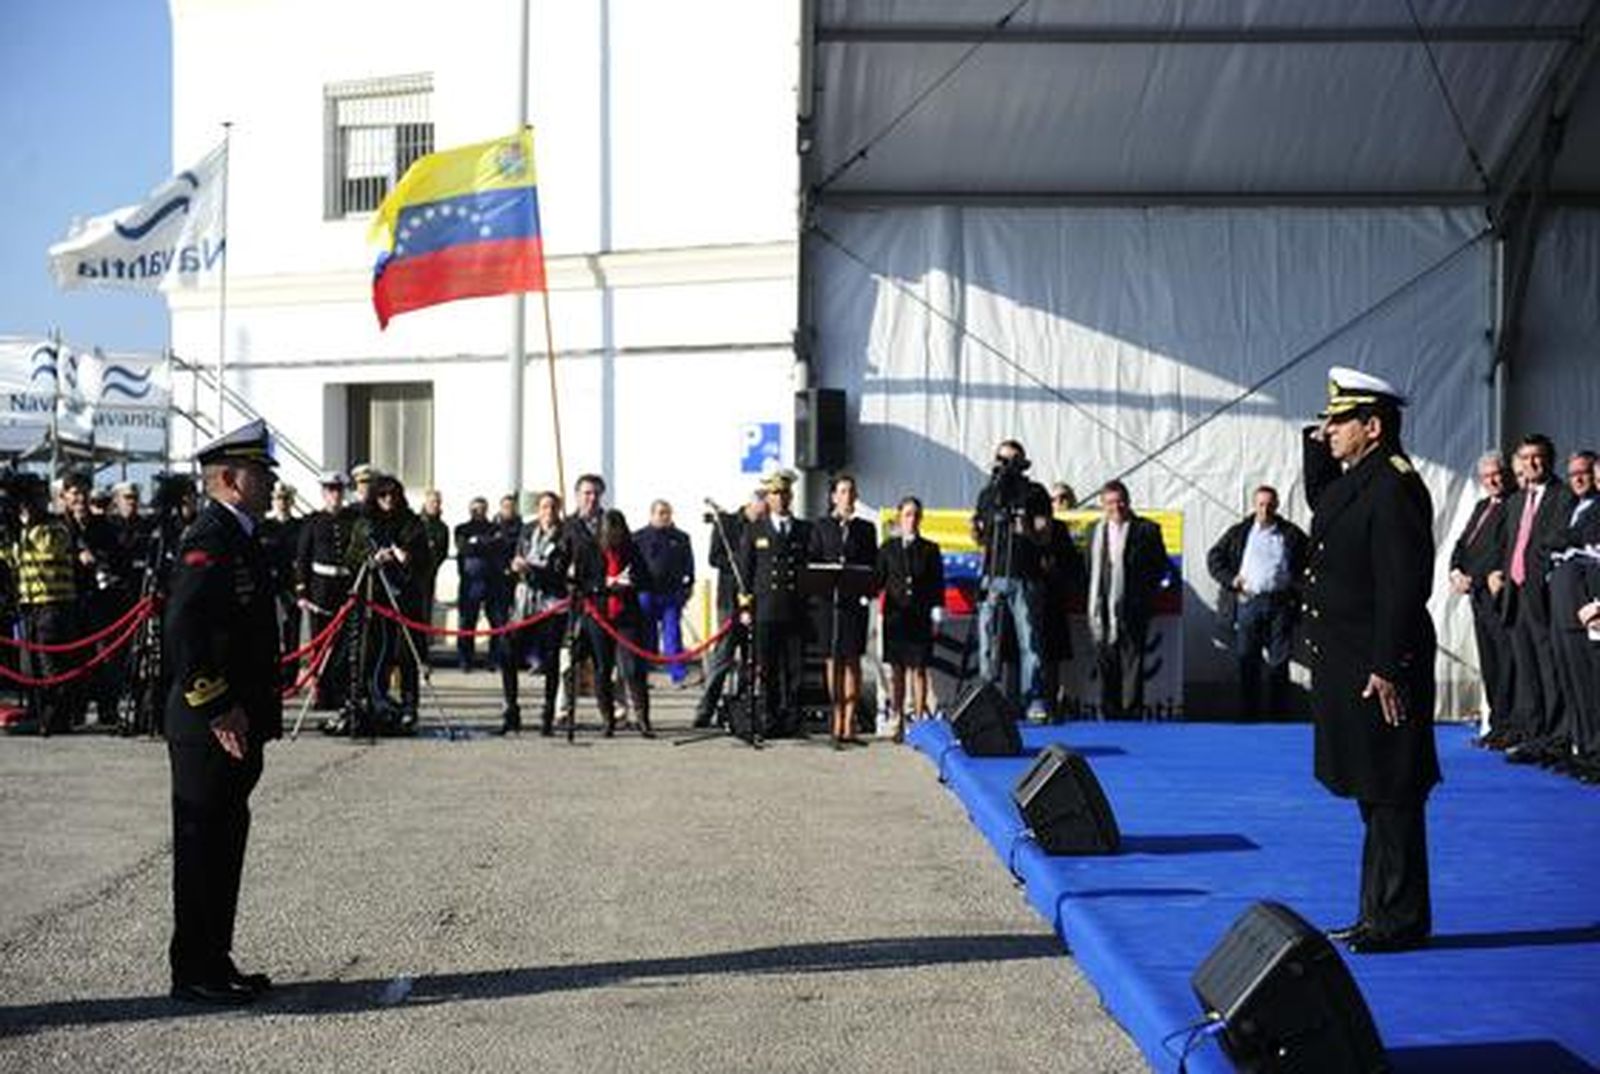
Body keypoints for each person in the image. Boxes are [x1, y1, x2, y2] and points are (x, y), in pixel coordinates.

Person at [1302, 367, 1439, 955]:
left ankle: (1399, 919)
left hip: (1381, 668)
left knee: (1392, 793)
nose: (1328, 429)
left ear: (1373, 427)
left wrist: (1387, 664)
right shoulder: (1360, 480)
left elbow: (1403, 586)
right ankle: (1376, 912)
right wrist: (1314, 445)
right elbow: (1324, 503)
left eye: (1339, 421)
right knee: (1371, 791)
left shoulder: (1394, 486)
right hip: (1352, 665)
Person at [162, 418, 281, 1004]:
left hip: (236, 720)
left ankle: (215, 958)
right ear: (231, 479)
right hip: (210, 723)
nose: (271, 483)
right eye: (261, 473)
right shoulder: (210, 535)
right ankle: (194, 971)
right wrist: (218, 706)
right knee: (202, 845)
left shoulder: (241, 535)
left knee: (224, 842)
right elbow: (185, 628)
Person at [1486, 434, 1575, 760]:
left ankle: (1557, 739)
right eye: (1524, 458)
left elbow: (1560, 542)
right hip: (1516, 595)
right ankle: (1534, 736)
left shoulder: (1563, 496)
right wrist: (1500, 574)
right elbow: (1511, 545)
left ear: (1549, 459)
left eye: (1537, 457)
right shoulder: (1515, 502)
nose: (1531, 463)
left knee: (1550, 670)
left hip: (1544, 596)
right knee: (1527, 671)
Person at [1206, 485, 1309, 719]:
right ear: (1254, 505)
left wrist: (1298, 583)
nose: (1265, 509)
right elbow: (1214, 558)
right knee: (1248, 661)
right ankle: (1249, 716)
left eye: (1270, 505)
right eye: (1261, 504)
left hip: (1280, 604)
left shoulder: (1291, 533)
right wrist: (1231, 579)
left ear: (1277, 505)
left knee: (1279, 663)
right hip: (1248, 603)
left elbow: (1312, 556)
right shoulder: (1240, 532)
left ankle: (1278, 716)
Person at [343, 474, 433, 734]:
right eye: (382, 495)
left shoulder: (412, 523)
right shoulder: (364, 524)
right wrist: (372, 558)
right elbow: (351, 557)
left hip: (405, 600)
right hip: (374, 600)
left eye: (393, 495)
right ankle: (375, 702)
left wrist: (407, 557)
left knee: (406, 654)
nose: (388, 500)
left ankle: (409, 706)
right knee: (373, 654)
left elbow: (426, 560)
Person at [972, 440, 1053, 717]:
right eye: (1001, 459)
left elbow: (1045, 535)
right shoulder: (988, 493)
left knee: (1029, 640)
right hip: (993, 574)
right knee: (987, 640)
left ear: (1022, 463)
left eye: (1011, 460)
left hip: (1024, 575)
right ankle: (988, 699)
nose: (1005, 465)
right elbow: (981, 538)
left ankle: (1033, 699)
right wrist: (976, 533)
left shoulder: (1035, 492)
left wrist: (1026, 528)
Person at [1, 473, 79, 734]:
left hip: (54, 604)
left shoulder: (55, 526)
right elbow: (11, 559)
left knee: (51, 664)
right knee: (29, 665)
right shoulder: (22, 531)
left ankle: (57, 717)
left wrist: (24, 526)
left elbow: (48, 548)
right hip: (29, 606)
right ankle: (39, 711)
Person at [1086, 480, 1169, 719]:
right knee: (1106, 661)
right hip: (1101, 606)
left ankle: (1131, 713)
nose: (1117, 507)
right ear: (1103, 505)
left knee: (1133, 661)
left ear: (1128, 501)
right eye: (1111, 502)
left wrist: (1143, 595)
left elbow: (1159, 566)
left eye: (1120, 501)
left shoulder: (1147, 529)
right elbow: (1089, 566)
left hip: (1133, 605)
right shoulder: (1094, 531)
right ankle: (1109, 711)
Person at [738, 470, 811, 739]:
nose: (780, 498)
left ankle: (792, 720)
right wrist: (745, 607)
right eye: (775, 493)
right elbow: (746, 572)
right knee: (766, 668)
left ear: (791, 496)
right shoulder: (755, 529)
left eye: (785, 493)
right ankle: (768, 719)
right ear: (768, 498)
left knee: (795, 670)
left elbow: (809, 568)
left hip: (794, 608)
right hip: (765, 609)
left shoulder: (804, 529)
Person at [554, 474, 628, 736]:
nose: (591, 498)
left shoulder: (611, 523)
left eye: (596, 493)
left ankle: (610, 714)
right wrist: (564, 570)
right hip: (576, 603)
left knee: (604, 664)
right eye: (586, 493)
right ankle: (564, 711)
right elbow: (558, 563)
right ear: (577, 496)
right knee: (568, 662)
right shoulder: (568, 525)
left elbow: (625, 555)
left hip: (602, 603)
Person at [1450, 452, 1514, 745]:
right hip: (1476, 595)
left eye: (1497, 474)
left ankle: (1509, 725)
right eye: (1487, 477)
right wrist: (1455, 570)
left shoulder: (1512, 505)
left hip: (1497, 595)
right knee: (1489, 662)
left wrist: (1474, 578)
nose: (1493, 481)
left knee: (1505, 663)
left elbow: (1500, 551)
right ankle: (1497, 725)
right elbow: (1463, 544)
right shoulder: (1481, 506)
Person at [810, 474, 878, 747]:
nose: (847, 496)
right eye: (842, 491)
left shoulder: (865, 528)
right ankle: (836, 717)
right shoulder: (822, 526)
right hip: (830, 604)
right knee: (833, 659)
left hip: (853, 603)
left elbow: (872, 565)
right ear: (833, 497)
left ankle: (850, 721)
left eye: (851, 491)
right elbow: (813, 559)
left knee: (852, 660)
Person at [694, 488, 766, 729]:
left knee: (751, 658)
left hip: (755, 600)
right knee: (723, 656)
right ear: (751, 505)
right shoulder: (726, 524)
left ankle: (742, 708)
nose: (763, 516)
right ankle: (705, 709)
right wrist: (739, 559)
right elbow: (714, 557)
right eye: (761, 511)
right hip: (729, 599)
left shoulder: (763, 527)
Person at [875, 496, 945, 741]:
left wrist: (937, 610)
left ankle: (919, 719)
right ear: (899, 517)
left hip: (919, 615)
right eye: (907, 514)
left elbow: (937, 583)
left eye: (915, 515)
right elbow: (878, 579)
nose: (911, 520)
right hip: (895, 617)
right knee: (897, 670)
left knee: (919, 668)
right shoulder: (888, 548)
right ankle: (897, 718)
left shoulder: (930, 549)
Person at [501, 491, 567, 735]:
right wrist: (515, 566)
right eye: (544, 507)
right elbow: (517, 556)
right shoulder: (528, 530)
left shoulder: (564, 535)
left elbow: (559, 571)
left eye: (552, 507)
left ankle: (548, 713)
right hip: (524, 602)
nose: (548, 512)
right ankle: (511, 710)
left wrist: (531, 569)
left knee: (551, 660)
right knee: (508, 653)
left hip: (551, 604)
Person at [295, 472, 354, 712]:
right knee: (320, 645)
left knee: (344, 645)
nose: (335, 495)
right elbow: (302, 558)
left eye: (338, 490)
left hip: (345, 588)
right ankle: (321, 693)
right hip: (320, 590)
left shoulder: (352, 521)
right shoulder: (313, 522)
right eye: (330, 490)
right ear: (323, 493)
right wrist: (302, 591)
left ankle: (340, 693)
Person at [596, 508, 655, 737]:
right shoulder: (594, 550)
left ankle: (642, 718)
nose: (613, 534)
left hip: (626, 614)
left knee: (632, 669)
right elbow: (584, 580)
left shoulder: (632, 549)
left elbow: (646, 579)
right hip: (601, 614)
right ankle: (607, 719)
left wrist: (630, 582)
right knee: (603, 669)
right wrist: (604, 583)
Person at [633, 500, 695, 687]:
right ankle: (642, 674)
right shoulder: (638, 537)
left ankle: (677, 674)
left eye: (667, 513)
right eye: (660, 513)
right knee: (645, 634)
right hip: (646, 592)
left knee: (672, 634)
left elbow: (689, 565)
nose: (664, 517)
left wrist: (688, 585)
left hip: (671, 593)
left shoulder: (681, 538)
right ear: (652, 514)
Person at [1038, 507, 1088, 721]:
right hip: (1026, 599)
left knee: (1051, 659)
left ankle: (1050, 703)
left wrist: (1055, 567)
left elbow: (1072, 563)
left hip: (1052, 602)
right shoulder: (1019, 527)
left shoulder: (1058, 529)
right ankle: (1023, 703)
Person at [453, 497, 501, 671]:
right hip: (470, 582)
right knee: (467, 622)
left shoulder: (495, 528)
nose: (478, 512)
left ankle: (494, 660)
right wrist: (484, 543)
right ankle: (465, 660)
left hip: (492, 581)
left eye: (481, 509)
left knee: (496, 622)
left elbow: (496, 546)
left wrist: (477, 543)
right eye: (475, 509)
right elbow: (464, 548)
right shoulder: (461, 529)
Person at [258, 482, 303, 669]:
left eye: (285, 498)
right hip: (269, 585)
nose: (282, 503)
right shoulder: (264, 527)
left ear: (291, 501)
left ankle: (291, 671)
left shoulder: (299, 527)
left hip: (291, 585)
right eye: (278, 498)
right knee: (269, 631)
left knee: (292, 629)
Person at [418, 488, 450, 629]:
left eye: (437, 502)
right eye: (432, 502)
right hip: (411, 576)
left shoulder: (442, 528)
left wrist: (432, 566)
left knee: (426, 611)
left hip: (429, 575)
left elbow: (443, 552)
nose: (435, 505)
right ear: (425, 503)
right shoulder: (415, 523)